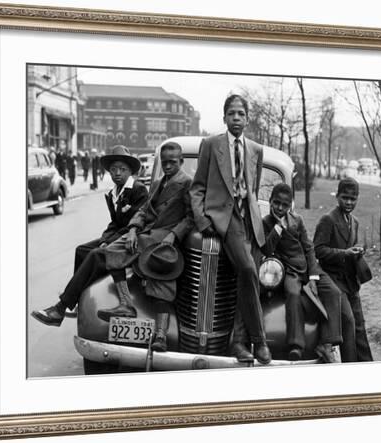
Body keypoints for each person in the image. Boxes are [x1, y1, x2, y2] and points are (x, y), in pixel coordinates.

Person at [32, 142, 193, 354]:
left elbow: (191, 217)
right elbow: (144, 211)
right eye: (165, 162)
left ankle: (61, 307)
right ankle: (118, 304)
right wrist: (134, 229)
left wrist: (173, 235)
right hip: (145, 235)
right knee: (105, 252)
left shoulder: (187, 183)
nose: (168, 166)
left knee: (112, 258)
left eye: (173, 162)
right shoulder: (158, 183)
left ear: (181, 162)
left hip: (163, 240)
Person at [189, 94, 271, 364]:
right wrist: (203, 221)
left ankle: (238, 342)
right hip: (226, 217)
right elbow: (198, 187)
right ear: (224, 117)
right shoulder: (211, 145)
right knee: (248, 270)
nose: (236, 118)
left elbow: (254, 189)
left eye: (241, 114)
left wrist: (255, 217)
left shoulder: (256, 150)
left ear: (247, 118)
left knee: (248, 278)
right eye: (232, 113)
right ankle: (259, 342)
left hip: (251, 221)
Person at [259, 183, 353, 362]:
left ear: (290, 205)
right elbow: (267, 249)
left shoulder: (297, 220)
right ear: (270, 202)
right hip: (289, 270)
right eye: (276, 203)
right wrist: (278, 228)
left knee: (333, 292)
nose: (280, 208)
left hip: (307, 268)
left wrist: (313, 275)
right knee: (292, 294)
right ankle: (296, 344)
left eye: (284, 205)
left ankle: (327, 343)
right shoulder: (266, 223)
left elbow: (309, 248)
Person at [314, 177, 373, 361]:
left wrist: (357, 252)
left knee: (360, 325)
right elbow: (318, 250)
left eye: (353, 198)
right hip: (332, 280)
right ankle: (350, 365)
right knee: (348, 320)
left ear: (357, 199)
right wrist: (345, 253)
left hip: (349, 281)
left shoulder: (354, 222)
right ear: (337, 196)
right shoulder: (328, 220)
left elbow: (350, 248)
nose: (349, 202)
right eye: (345, 197)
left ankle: (368, 366)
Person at [73, 145, 149, 272]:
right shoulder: (112, 194)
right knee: (81, 250)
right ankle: (80, 289)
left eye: (122, 169)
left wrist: (107, 242)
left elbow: (133, 225)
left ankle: (74, 290)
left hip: (129, 239)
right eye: (113, 169)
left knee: (95, 254)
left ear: (130, 171)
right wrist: (104, 239)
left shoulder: (138, 189)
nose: (117, 173)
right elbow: (115, 223)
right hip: (115, 236)